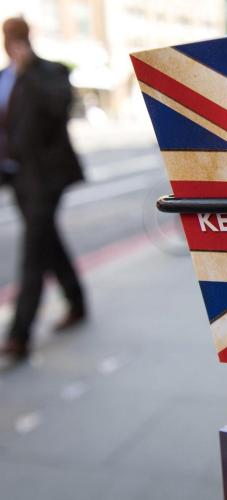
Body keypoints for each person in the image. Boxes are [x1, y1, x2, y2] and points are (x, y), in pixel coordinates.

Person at [0, 17, 86, 362]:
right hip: (17, 177)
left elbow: (58, 109)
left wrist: (28, 72)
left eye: (17, 36)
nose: (12, 42)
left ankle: (19, 334)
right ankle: (77, 301)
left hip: (48, 177)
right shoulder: (3, 78)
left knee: (34, 250)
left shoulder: (51, 72)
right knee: (47, 240)